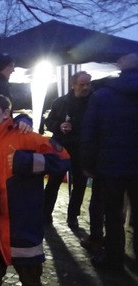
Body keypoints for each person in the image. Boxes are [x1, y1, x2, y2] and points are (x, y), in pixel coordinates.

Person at [0, 93, 70, 286]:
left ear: (6, 113)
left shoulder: (27, 138)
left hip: (24, 228)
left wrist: (30, 161)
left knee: (31, 283)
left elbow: (63, 160)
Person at [82, 53, 138, 270]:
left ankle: (114, 258)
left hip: (111, 165)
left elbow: (90, 132)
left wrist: (87, 163)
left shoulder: (103, 95)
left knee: (113, 214)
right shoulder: (102, 94)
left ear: (120, 66)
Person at [42, 71, 102, 235]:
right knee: (53, 181)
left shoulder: (95, 102)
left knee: (80, 184)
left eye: (88, 84)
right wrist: (59, 126)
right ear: (73, 85)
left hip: (83, 149)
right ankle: (46, 214)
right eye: (82, 84)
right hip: (62, 147)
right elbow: (49, 121)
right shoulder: (60, 102)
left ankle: (73, 216)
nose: (86, 87)